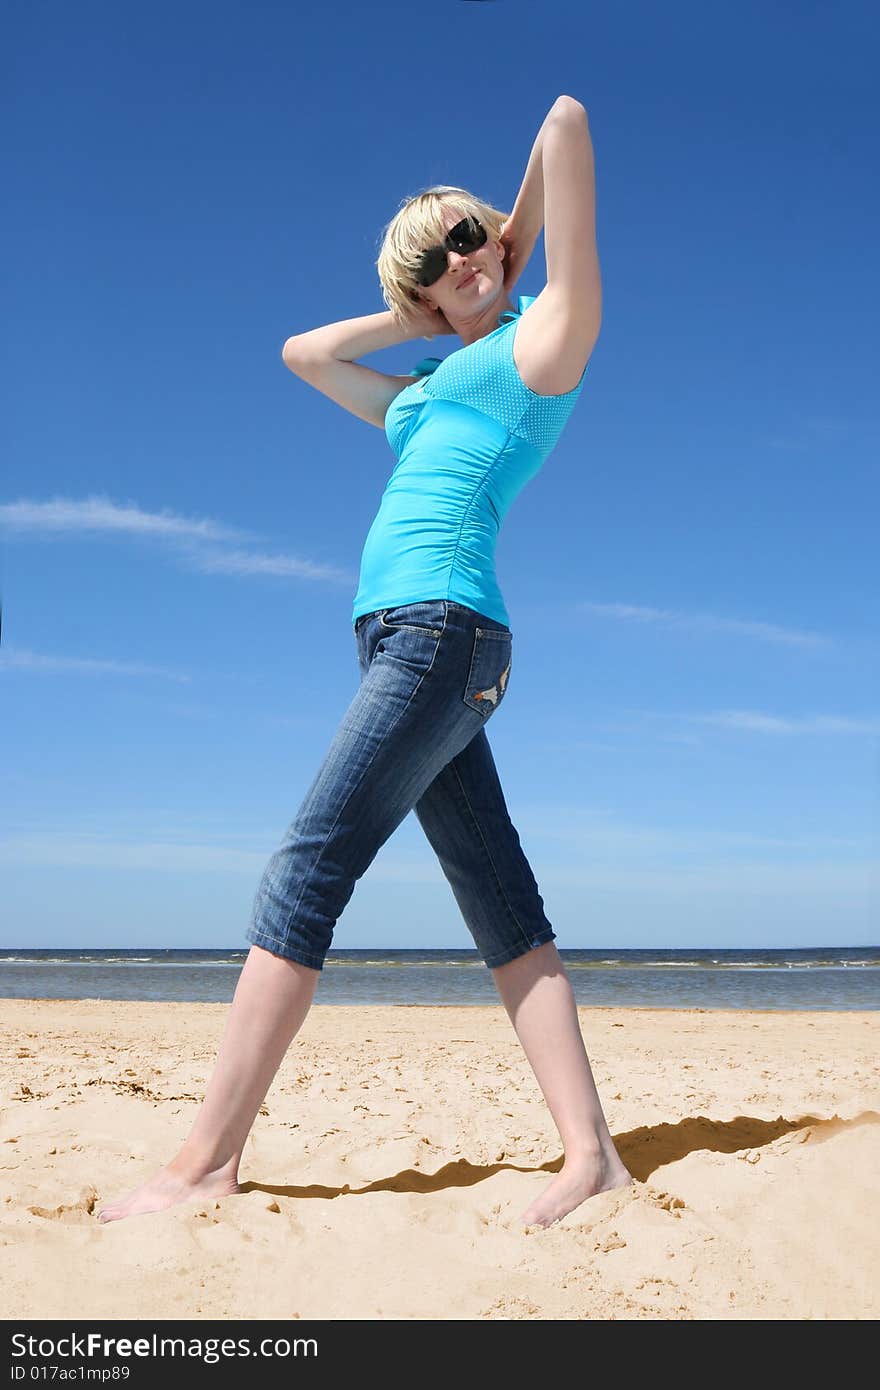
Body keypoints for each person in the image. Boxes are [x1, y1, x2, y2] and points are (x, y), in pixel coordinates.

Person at [97, 94, 632, 1229]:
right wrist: (426, 306)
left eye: (473, 232)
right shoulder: (423, 394)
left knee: (305, 869)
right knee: (501, 903)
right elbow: (305, 352)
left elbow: (565, 121)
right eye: (441, 253)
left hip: (445, 634)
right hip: (405, 641)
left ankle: (203, 1163)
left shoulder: (545, 340)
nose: (467, 253)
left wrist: (503, 242)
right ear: (422, 292)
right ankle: (591, 1157)